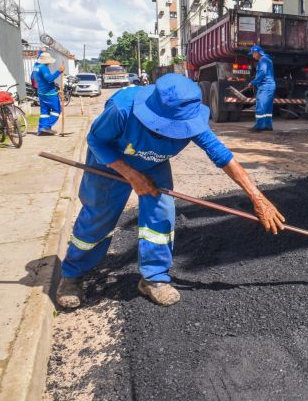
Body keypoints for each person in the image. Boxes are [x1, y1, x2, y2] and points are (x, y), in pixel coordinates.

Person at [56, 74, 286, 309]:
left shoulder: (190, 119)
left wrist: (257, 197)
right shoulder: (121, 108)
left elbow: (222, 156)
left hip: (153, 164)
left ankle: (153, 278)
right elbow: (96, 140)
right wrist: (131, 175)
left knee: (161, 216)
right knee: (98, 217)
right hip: (110, 161)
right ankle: (73, 274)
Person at [246, 45, 276, 132]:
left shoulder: (262, 60)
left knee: (261, 106)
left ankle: (259, 126)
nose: (253, 56)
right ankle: (268, 126)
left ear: (256, 53)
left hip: (265, 86)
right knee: (268, 107)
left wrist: (253, 82)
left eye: (253, 54)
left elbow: (262, 73)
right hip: (270, 85)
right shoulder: (267, 59)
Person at [33, 52, 64, 136]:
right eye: (49, 61)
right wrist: (59, 71)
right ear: (47, 61)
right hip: (50, 94)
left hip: (41, 93)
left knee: (44, 113)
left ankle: (40, 131)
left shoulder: (36, 67)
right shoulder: (44, 68)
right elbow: (49, 79)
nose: (50, 63)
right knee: (57, 111)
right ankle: (46, 127)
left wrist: (40, 51)